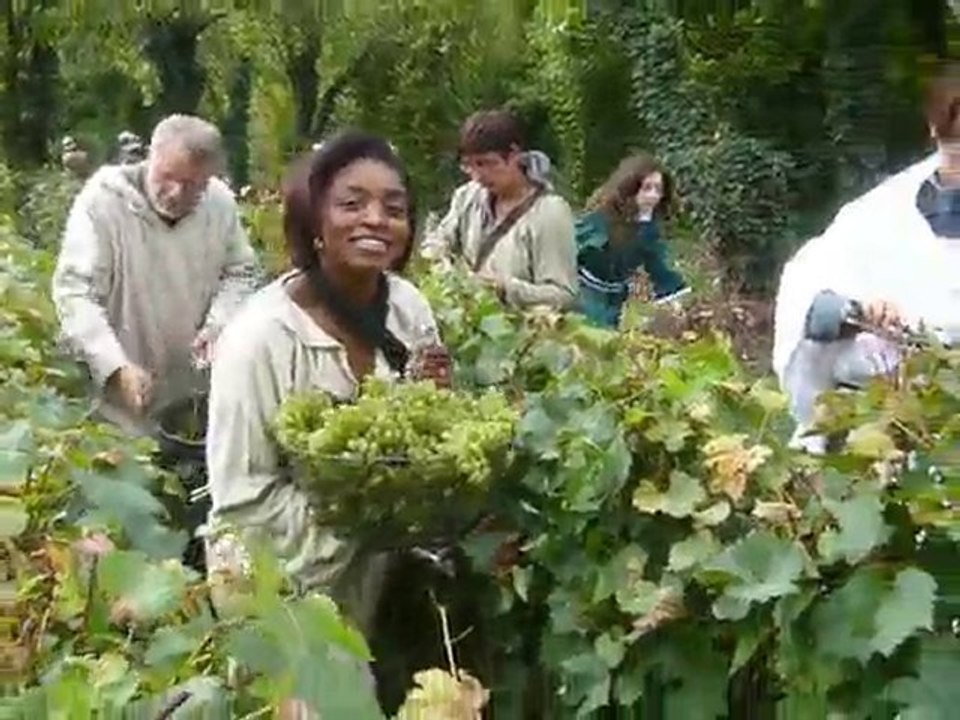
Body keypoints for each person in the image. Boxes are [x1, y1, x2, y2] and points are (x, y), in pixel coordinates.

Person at [203, 131, 451, 641]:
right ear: (314, 219)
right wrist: (370, 522)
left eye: (394, 207)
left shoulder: (408, 308)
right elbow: (242, 498)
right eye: (352, 204)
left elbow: (417, 437)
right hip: (271, 585)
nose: (376, 219)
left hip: (364, 576)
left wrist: (436, 414)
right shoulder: (260, 338)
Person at [773, 64, 960, 453]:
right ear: (936, 130)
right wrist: (853, 310)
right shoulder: (880, 214)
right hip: (895, 434)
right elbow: (809, 292)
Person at [51, 114, 259, 436]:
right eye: (167, 176)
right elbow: (76, 292)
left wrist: (219, 324)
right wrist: (114, 366)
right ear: (151, 156)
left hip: (191, 394)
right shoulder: (103, 202)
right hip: (116, 400)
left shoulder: (219, 205)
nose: (176, 193)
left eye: (193, 186)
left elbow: (241, 272)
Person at [421, 109, 578, 310]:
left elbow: (563, 295)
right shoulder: (467, 196)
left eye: (486, 163)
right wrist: (442, 265)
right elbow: (437, 242)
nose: (478, 175)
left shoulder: (550, 213)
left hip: (523, 332)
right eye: (469, 165)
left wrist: (504, 287)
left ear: (514, 155)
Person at [575, 153, 690, 328]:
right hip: (585, 291)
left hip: (616, 297)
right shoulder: (603, 217)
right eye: (647, 188)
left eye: (658, 190)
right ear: (631, 187)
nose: (652, 196)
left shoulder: (650, 229)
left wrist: (675, 302)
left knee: (608, 340)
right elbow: (574, 244)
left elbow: (657, 264)